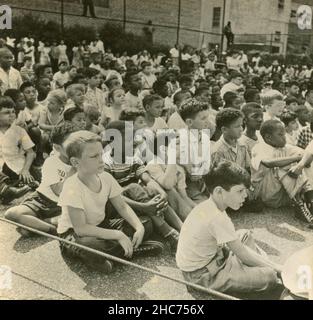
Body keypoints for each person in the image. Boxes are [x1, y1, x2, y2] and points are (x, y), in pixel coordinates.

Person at [176, 160, 281, 295]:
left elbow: (239, 250)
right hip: (202, 276)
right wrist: (278, 269)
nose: (245, 195)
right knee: (269, 276)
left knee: (245, 235)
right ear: (219, 191)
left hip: (215, 257)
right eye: (240, 191)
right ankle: (255, 271)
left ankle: (252, 269)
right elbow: (242, 253)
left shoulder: (211, 205)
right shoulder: (216, 217)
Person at [103, 121, 182, 250]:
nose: (134, 143)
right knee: (134, 187)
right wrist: (144, 207)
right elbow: (112, 197)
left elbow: (148, 180)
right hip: (117, 206)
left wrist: (161, 193)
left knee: (153, 190)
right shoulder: (106, 164)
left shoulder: (133, 158)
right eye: (129, 140)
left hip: (136, 200)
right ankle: (167, 232)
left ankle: (182, 229)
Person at [4, 123, 80, 236]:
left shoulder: (82, 161)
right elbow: (59, 191)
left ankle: (39, 226)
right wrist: (73, 170)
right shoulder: (52, 162)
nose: (76, 148)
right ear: (57, 147)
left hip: (62, 206)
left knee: (25, 231)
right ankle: (52, 230)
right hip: (42, 200)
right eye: (71, 145)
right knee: (11, 214)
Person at [251, 120, 313, 227]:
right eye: (280, 134)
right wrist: (297, 159)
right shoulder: (259, 147)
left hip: (284, 195)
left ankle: (310, 201)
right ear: (268, 137)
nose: (284, 137)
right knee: (282, 167)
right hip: (266, 194)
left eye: (284, 133)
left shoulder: (285, 147)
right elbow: (268, 163)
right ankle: (299, 203)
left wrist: (301, 163)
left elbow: (307, 155)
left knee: (303, 164)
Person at [146, 133, 196, 221]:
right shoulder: (153, 164)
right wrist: (172, 157)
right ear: (164, 149)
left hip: (177, 206)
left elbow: (184, 196)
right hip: (159, 209)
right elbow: (167, 185)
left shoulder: (178, 167)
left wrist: (197, 209)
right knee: (170, 191)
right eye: (177, 144)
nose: (182, 147)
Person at [0, 96, 38, 188]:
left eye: (13, 112)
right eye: (7, 113)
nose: (12, 115)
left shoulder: (20, 131)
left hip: (16, 163)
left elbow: (30, 153)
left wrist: (25, 170)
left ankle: (11, 186)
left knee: (27, 178)